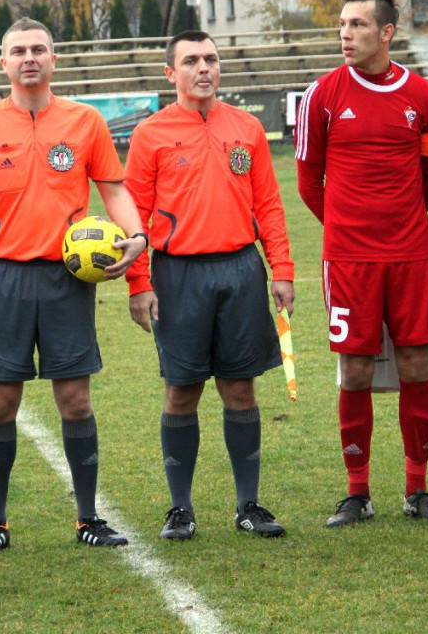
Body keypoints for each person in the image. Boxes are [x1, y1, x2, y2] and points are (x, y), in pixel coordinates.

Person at [0, 17, 148, 553]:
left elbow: (115, 189)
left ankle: (88, 519)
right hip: (4, 278)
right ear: (4, 62)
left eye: (39, 48)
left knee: (76, 400)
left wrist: (136, 235)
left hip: (68, 279)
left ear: (54, 59)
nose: (29, 58)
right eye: (18, 51)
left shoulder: (85, 122)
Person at [125, 30, 295, 540]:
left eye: (212, 60)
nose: (204, 68)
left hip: (241, 270)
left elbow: (268, 203)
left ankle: (249, 505)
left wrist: (281, 269)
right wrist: (139, 282)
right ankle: (180, 508)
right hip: (178, 276)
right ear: (169, 72)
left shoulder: (246, 128)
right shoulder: (150, 133)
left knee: (240, 387)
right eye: (192, 60)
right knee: (181, 391)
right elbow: (131, 213)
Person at [295, 0, 428, 527]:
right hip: (348, 259)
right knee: (356, 370)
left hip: (411, 255)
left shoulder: (425, 98)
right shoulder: (322, 96)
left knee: (415, 363)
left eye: (358, 25)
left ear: (386, 32)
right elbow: (308, 180)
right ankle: (357, 492)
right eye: (342, 24)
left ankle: (417, 489)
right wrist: (346, 228)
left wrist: (401, 222)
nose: (345, 33)